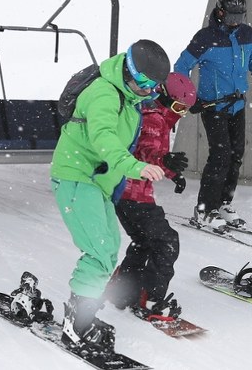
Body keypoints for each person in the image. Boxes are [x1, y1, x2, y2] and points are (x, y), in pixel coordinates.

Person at [50, 39, 170, 355]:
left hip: (95, 183)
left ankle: (82, 313)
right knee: (100, 250)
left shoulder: (127, 96)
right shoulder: (104, 93)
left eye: (154, 86)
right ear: (129, 72)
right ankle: (77, 323)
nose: (149, 90)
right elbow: (104, 139)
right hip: (77, 178)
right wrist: (135, 167)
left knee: (109, 247)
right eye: (144, 83)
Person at [174, 0, 252, 232]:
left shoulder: (247, 35)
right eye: (231, 17)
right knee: (220, 156)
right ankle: (204, 209)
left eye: (239, 17)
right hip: (213, 106)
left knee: (235, 156)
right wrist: (190, 98)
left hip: (238, 105)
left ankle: (223, 204)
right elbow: (181, 68)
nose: (235, 22)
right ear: (220, 13)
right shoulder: (205, 37)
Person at [105, 72, 197, 321]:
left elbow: (147, 153)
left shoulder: (150, 115)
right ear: (164, 96)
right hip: (134, 194)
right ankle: (151, 299)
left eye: (185, 110)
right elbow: (142, 153)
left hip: (124, 192)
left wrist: (171, 172)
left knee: (144, 241)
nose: (180, 113)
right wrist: (165, 162)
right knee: (167, 241)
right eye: (178, 107)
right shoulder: (154, 119)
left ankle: (122, 290)